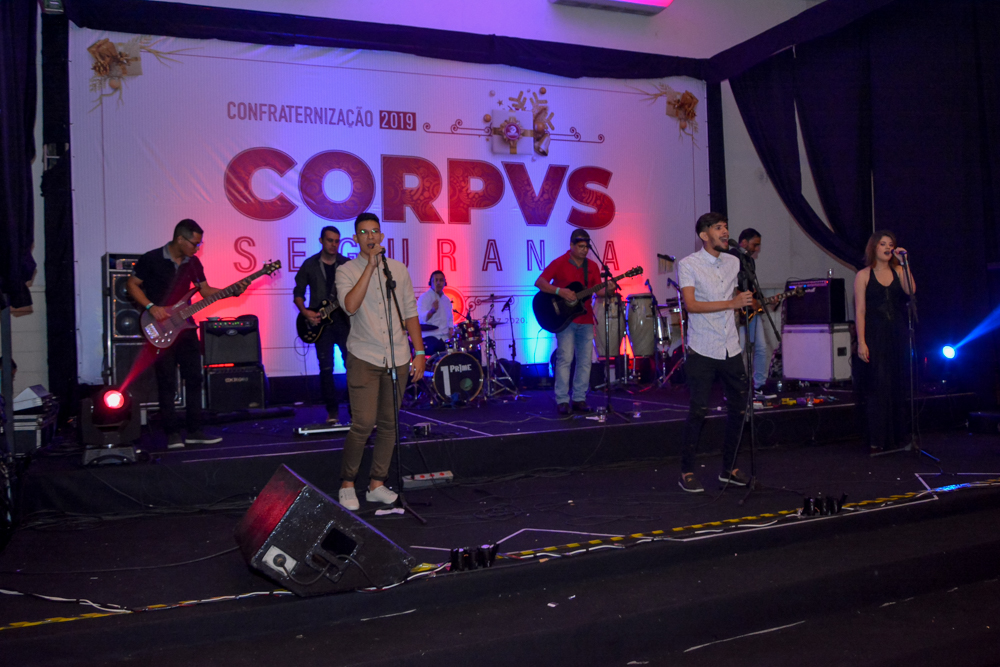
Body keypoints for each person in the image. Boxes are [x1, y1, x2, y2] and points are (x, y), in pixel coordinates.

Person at [127, 219, 247, 449]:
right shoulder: (151, 259)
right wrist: (151, 307)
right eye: (194, 243)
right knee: (167, 381)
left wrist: (230, 292)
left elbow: (205, 291)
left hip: (185, 326)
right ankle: (172, 433)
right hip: (159, 326)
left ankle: (194, 431)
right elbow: (131, 284)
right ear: (180, 239)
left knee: (194, 378)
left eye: (199, 244)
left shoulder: (193, 263)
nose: (197, 248)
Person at [334, 212, 425, 511]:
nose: (370, 236)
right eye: (363, 232)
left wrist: (419, 352)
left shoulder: (398, 269)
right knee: (363, 423)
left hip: (397, 356)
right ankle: (347, 484)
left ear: (382, 236)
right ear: (356, 238)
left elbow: (410, 312)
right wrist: (370, 267)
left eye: (374, 231)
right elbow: (350, 306)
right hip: (364, 356)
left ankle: (376, 484)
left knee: (389, 424)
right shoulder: (346, 271)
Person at [676, 212, 755, 492]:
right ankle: (686, 471)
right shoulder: (689, 264)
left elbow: (733, 296)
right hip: (703, 347)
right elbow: (691, 305)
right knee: (698, 410)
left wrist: (742, 302)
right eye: (718, 227)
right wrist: (731, 303)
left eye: (726, 227)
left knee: (739, 407)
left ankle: (728, 468)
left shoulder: (734, 261)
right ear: (704, 235)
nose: (725, 232)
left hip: (730, 346)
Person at [534, 228, 614, 415]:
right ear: (571, 245)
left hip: (586, 319)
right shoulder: (560, 262)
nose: (584, 250)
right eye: (581, 247)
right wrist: (559, 291)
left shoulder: (592, 266)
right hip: (565, 320)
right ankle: (562, 400)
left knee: (585, 361)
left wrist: (608, 289)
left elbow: (598, 291)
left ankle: (579, 398)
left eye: (586, 247)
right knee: (565, 358)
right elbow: (540, 282)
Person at [854, 230, 915, 451]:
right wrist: (861, 341)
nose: (888, 247)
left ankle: (898, 436)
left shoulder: (899, 271)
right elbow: (860, 311)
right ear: (874, 247)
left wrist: (905, 263)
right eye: (883, 244)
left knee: (897, 383)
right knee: (878, 384)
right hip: (875, 334)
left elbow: (911, 290)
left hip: (896, 333)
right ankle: (877, 438)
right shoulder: (864, 275)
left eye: (891, 244)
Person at [293, 226, 352, 424]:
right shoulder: (310, 264)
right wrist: (305, 312)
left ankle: (355, 410)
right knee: (326, 368)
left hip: (344, 323)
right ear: (321, 241)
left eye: (337, 241)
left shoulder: (347, 264)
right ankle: (332, 412)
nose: (334, 245)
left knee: (352, 367)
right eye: (330, 240)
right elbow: (298, 292)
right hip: (320, 325)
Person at [730, 227, 770, 392]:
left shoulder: (750, 261)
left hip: (750, 311)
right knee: (738, 349)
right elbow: (730, 287)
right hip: (736, 311)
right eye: (755, 244)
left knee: (760, 347)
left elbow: (751, 287)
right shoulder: (731, 258)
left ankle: (759, 385)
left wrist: (763, 301)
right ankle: (735, 387)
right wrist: (747, 299)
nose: (757, 248)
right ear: (744, 242)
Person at [417, 270, 453, 357]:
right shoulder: (424, 297)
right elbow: (421, 319)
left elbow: (450, 319)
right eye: (436, 280)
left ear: (445, 283)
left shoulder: (446, 300)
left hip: (444, 337)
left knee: (456, 351)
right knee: (438, 347)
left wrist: (451, 330)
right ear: (431, 282)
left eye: (441, 280)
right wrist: (432, 311)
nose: (438, 283)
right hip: (430, 336)